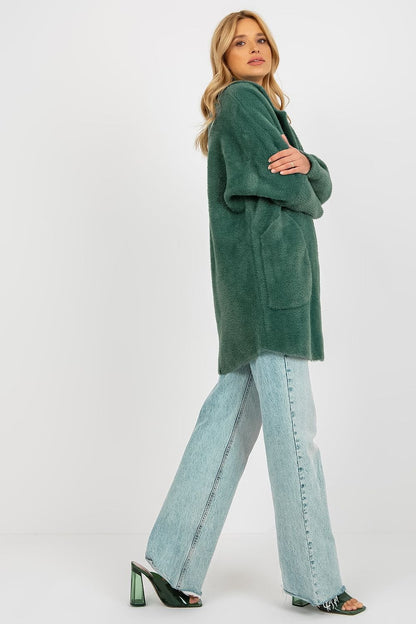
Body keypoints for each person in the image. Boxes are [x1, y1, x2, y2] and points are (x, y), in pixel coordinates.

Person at [129, 9, 366, 616]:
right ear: (224, 57)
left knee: (228, 420)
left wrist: (309, 167)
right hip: (270, 288)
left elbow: (312, 178)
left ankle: (168, 560)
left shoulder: (264, 109)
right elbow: (296, 189)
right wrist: (309, 176)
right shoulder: (241, 101)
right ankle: (316, 580)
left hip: (256, 286)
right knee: (295, 435)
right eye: (239, 42)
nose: (254, 48)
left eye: (261, 39)